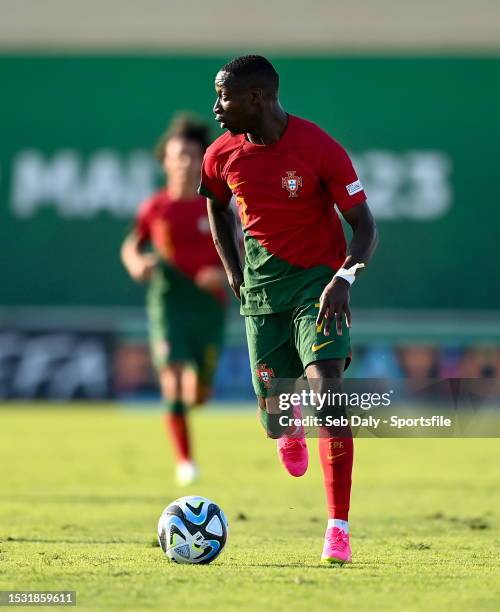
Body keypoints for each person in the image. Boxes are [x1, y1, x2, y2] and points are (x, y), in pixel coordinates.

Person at [199, 56, 378, 563]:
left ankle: (337, 529)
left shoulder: (318, 147)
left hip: (317, 287)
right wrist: (234, 272)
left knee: (327, 390)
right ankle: (286, 428)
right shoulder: (219, 155)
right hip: (261, 295)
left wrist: (344, 278)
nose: (216, 108)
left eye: (224, 97)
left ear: (256, 99)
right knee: (275, 414)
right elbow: (214, 203)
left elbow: (365, 225)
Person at [122, 114, 227, 486]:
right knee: (173, 379)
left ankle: (194, 400)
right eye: (176, 155)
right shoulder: (155, 208)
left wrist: (225, 275)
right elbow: (133, 245)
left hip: (209, 307)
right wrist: (137, 263)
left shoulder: (216, 206)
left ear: (202, 160)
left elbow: (245, 255)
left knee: (197, 393)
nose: (183, 162)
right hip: (168, 300)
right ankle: (184, 460)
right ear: (164, 160)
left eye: (191, 155)